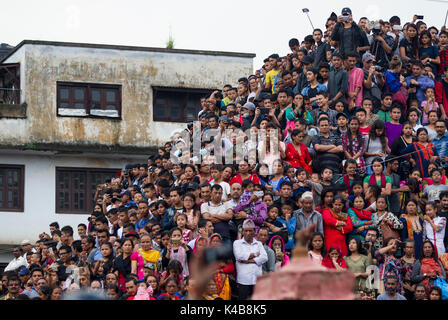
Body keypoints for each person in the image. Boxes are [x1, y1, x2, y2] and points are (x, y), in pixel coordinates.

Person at [233, 219, 268, 300]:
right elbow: (239, 256)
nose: (248, 233)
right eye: (246, 231)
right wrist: (256, 254)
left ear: (254, 231)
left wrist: (249, 261)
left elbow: (264, 257)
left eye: (250, 231)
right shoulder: (237, 243)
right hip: (243, 280)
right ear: (242, 232)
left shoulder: (258, 243)